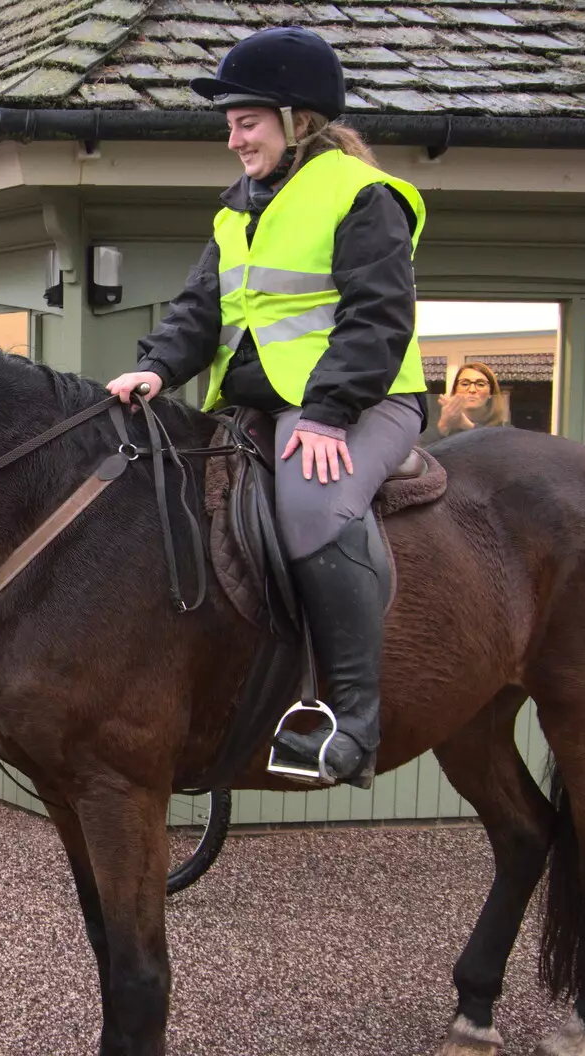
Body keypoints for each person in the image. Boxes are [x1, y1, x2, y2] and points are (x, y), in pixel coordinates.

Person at [106, 26, 428, 788]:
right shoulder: (237, 209)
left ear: (297, 119)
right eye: (230, 125)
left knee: (313, 503)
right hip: (256, 403)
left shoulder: (361, 195)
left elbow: (378, 318)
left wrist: (325, 414)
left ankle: (353, 721)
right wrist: (155, 368)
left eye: (245, 122)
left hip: (362, 401)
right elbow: (201, 311)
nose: (233, 139)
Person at [437, 362, 509, 436]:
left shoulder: (503, 427)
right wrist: (443, 425)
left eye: (480, 384)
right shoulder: (435, 421)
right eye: (465, 384)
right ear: (455, 390)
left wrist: (467, 425)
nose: (472, 390)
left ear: (491, 392)